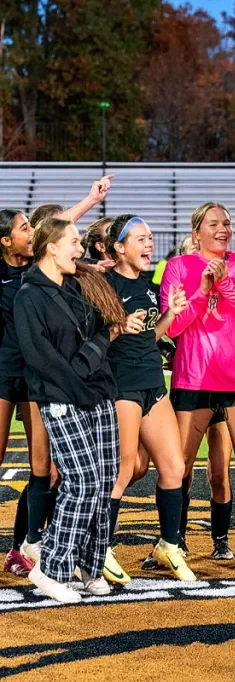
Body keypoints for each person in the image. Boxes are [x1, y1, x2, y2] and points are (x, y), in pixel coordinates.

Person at [14, 217, 129, 603]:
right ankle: (51, 567)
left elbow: (99, 334)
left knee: (104, 481)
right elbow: (40, 357)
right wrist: (79, 384)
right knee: (81, 482)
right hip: (62, 399)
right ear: (51, 247)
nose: (81, 249)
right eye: (74, 242)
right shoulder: (29, 296)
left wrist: (92, 376)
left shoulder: (76, 286)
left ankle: (90, 565)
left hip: (98, 393)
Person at [160, 202, 235, 563]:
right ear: (196, 233)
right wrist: (204, 290)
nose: (223, 229)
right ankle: (174, 542)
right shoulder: (177, 266)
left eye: (227, 223)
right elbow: (173, 327)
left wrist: (226, 284)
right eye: (214, 223)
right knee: (180, 467)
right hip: (193, 379)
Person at [103, 215, 195, 582]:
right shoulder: (104, 285)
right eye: (140, 239)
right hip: (121, 385)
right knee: (124, 469)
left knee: (174, 467)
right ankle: (99, 548)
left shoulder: (147, 283)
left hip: (153, 384)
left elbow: (149, 337)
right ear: (119, 247)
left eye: (150, 238)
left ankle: (167, 546)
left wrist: (171, 314)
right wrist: (117, 327)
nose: (149, 244)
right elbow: (89, 340)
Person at [0, 210, 51, 577]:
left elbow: (57, 227)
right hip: (4, 373)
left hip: (36, 375)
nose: (31, 232)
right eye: (24, 228)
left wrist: (91, 199)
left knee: (43, 465)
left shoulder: (40, 268)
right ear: (6, 241)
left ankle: (25, 546)